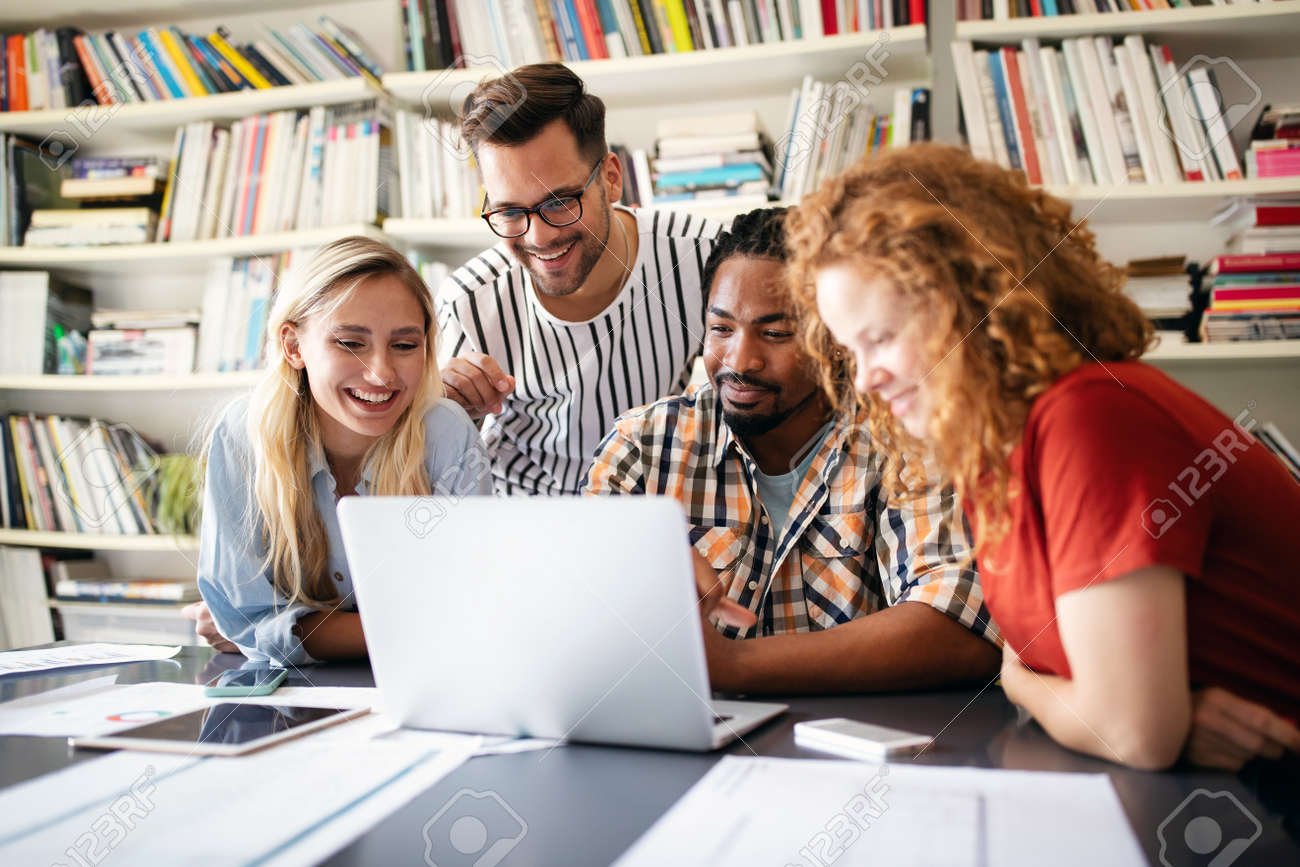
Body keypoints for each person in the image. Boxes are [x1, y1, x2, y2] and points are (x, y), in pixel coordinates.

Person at [789, 143, 1300, 770]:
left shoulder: (1090, 417)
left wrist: (1035, 687)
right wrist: (1065, 695)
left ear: (973, 303)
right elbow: (1083, 697)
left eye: (883, 338)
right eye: (850, 350)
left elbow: (1135, 733)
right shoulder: (994, 454)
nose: (865, 379)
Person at [586, 207, 1001, 694]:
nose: (740, 361)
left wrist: (733, 664)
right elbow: (573, 616)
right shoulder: (643, 445)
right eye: (721, 330)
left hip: (859, 752)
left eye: (776, 333)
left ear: (838, 339)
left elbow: (960, 627)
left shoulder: (903, 439)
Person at [195, 236, 491, 665]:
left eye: (405, 345)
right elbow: (248, 619)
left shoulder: (446, 434)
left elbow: (472, 609)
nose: (381, 372)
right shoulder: (244, 434)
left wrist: (295, 630)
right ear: (294, 347)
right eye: (351, 343)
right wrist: (416, 627)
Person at [438, 62, 723, 494]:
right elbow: (435, 470)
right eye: (511, 211)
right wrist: (448, 410)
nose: (539, 236)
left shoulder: (702, 256)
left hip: (651, 513)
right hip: (523, 524)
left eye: (560, 203)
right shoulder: (468, 303)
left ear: (611, 178)